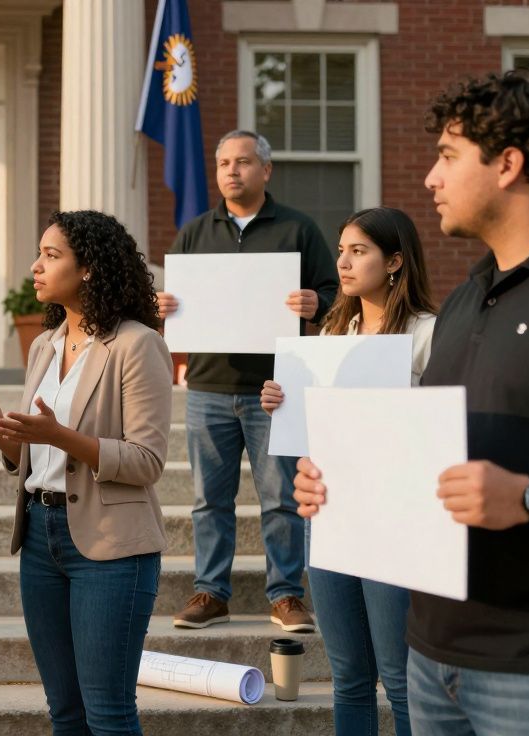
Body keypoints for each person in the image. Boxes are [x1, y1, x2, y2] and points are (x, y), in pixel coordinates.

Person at [296, 70, 529, 736]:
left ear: (507, 163)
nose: (431, 179)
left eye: (446, 156)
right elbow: (424, 455)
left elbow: (521, 489)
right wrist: (339, 481)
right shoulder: (466, 300)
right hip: (432, 656)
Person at [0, 210, 171, 735]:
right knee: (64, 712)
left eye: (51, 255)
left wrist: (60, 437)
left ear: (88, 268)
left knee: (109, 713)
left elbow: (146, 461)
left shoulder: (136, 344)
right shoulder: (43, 346)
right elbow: (35, 454)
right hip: (41, 541)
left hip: (110, 547)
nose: (35, 266)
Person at [260, 207, 437, 735]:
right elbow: (318, 426)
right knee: (349, 677)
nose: (342, 261)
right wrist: (284, 401)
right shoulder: (338, 328)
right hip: (331, 512)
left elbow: (443, 425)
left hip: (392, 516)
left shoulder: (429, 333)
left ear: (395, 262)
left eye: (359, 251)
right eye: (341, 250)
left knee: (399, 676)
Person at [158, 130, 339, 632]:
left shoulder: (298, 230)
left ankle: (285, 596)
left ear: (266, 170)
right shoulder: (196, 232)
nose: (231, 171)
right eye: (222, 163)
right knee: (208, 500)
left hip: (275, 389)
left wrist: (315, 303)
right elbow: (174, 299)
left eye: (242, 162)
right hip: (209, 387)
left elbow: (333, 291)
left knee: (281, 498)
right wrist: (164, 306)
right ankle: (211, 593)